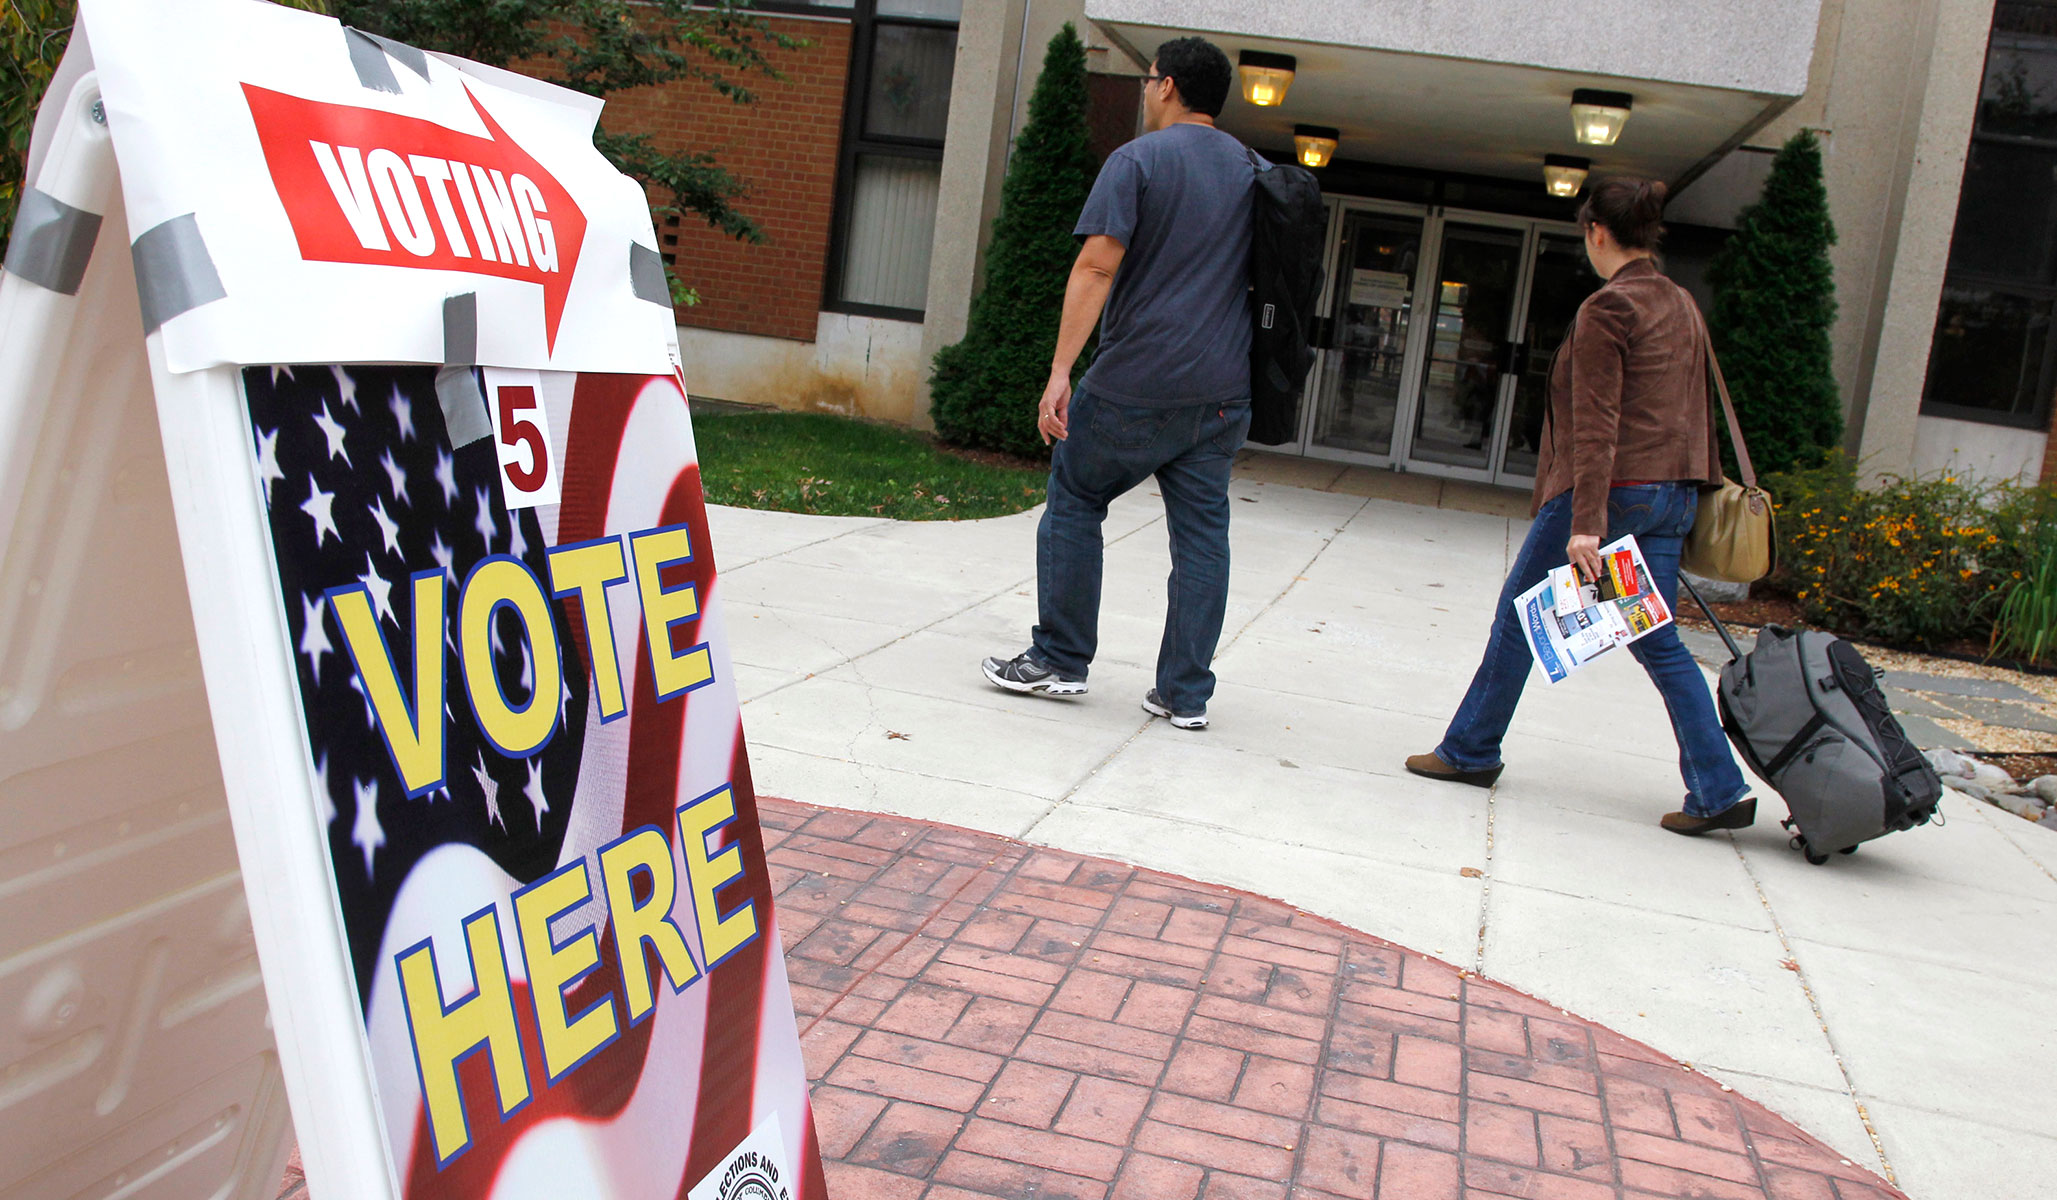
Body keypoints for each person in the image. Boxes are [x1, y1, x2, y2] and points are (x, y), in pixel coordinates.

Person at [1404, 177, 1756, 836]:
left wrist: (1586, 524)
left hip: (1612, 497)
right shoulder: (1680, 302)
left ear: (1596, 231)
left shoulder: (1608, 308)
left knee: (1519, 614)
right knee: (1657, 642)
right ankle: (1718, 787)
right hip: (1671, 495)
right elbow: (1689, 411)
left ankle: (1470, 751)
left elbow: (1597, 423)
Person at [980, 36, 1255, 732]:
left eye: (1147, 79)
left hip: (1138, 378)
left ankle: (1059, 659)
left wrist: (1060, 371)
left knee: (1075, 496)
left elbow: (1096, 268)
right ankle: (1184, 694)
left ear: (1167, 87)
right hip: (1222, 390)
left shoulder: (1137, 161)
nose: (1142, 89)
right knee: (1202, 537)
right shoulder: (1256, 172)